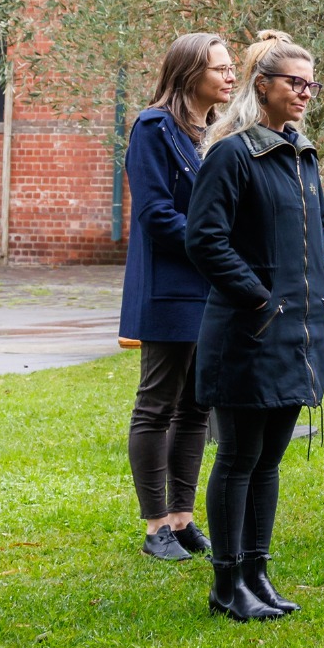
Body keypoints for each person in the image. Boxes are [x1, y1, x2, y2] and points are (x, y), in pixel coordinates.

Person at [186, 31, 324, 622]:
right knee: (238, 458)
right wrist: (258, 300)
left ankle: (257, 572)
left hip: (299, 331)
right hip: (249, 333)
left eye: (309, 85)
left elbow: (320, 236)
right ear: (262, 87)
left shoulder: (301, 153)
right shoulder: (232, 154)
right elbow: (205, 240)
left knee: (268, 461)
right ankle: (227, 585)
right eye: (292, 83)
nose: (303, 94)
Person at [121, 31, 236, 562]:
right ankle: (154, 526)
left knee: (195, 407)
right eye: (221, 68)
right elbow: (154, 212)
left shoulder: (213, 132)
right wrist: (212, 246)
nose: (231, 76)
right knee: (156, 404)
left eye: (232, 67)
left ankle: (184, 519)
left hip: (208, 288)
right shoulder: (154, 128)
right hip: (169, 286)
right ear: (191, 72)